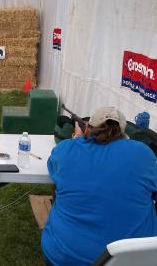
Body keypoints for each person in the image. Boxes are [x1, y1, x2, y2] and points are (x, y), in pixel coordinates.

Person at [41, 107, 157, 266]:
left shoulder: (66, 149)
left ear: (88, 128)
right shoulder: (143, 154)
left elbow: (54, 168)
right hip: (131, 259)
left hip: (65, 257)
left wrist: (77, 140)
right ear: (124, 134)